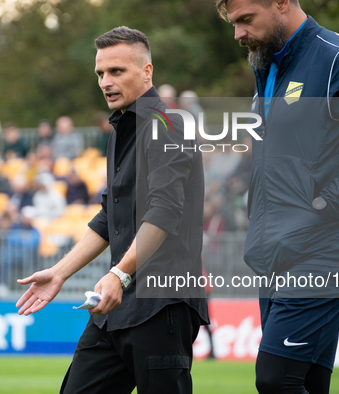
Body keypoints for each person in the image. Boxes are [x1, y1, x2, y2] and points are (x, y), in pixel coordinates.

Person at [215, 1, 339, 393]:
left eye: (246, 20)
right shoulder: (266, 65)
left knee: (275, 378)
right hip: (277, 254)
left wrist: (321, 206)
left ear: (282, 3)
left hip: (329, 252)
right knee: (307, 382)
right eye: (234, 24)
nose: (238, 34)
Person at [16, 26, 208, 394]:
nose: (106, 81)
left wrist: (119, 274)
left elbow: (164, 211)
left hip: (161, 303)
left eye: (117, 71)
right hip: (117, 302)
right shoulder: (120, 130)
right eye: (100, 73)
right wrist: (59, 273)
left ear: (147, 72)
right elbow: (108, 216)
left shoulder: (170, 125)